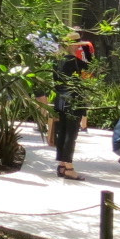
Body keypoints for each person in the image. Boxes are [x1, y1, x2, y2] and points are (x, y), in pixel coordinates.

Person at [41, 31, 95, 181]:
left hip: (60, 100)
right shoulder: (76, 62)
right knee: (71, 134)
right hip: (73, 101)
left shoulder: (56, 62)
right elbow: (91, 73)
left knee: (63, 133)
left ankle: (62, 165)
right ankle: (69, 167)